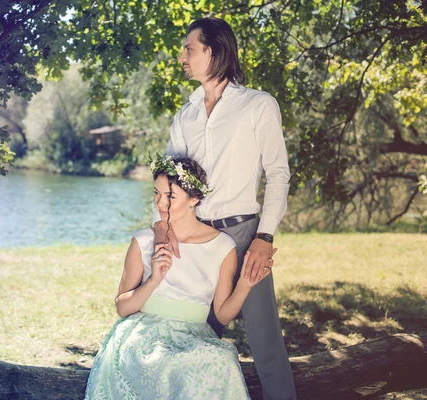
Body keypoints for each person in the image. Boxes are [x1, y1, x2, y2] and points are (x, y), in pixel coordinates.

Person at [153, 17, 297, 399]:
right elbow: (168, 183)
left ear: (213, 52)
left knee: (265, 339)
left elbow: (278, 174)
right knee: (195, 331)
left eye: (190, 48)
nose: (182, 56)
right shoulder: (186, 116)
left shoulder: (258, 105)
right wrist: (161, 227)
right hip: (197, 235)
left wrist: (264, 236)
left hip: (245, 233)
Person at [84, 155, 276, 399]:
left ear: (194, 199)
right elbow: (122, 307)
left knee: (220, 360)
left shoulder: (222, 246)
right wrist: (154, 279)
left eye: (170, 196)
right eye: (157, 193)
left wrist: (245, 285)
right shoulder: (143, 241)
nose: (160, 203)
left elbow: (223, 314)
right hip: (144, 336)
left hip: (193, 335)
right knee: (163, 362)